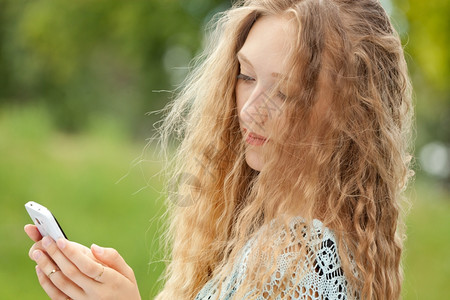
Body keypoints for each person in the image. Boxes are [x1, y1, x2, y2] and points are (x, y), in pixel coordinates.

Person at [24, 0, 413, 299]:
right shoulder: (275, 236)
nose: (249, 109)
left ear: (353, 113)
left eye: (285, 90)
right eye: (245, 75)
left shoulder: (301, 255)